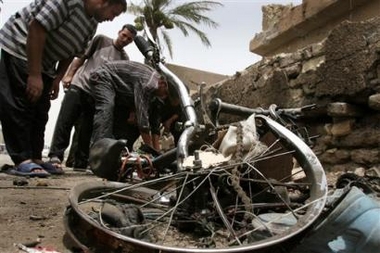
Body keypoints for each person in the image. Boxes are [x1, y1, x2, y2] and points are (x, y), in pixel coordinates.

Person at [0, 0, 127, 177]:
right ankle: (22, 159)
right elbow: (37, 28)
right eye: (113, 13)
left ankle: (36, 158)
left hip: (46, 62)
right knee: (21, 104)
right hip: (20, 46)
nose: (112, 19)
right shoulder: (68, 2)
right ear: (104, 2)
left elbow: (72, 52)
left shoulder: (92, 24)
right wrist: (34, 74)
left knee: (41, 110)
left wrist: (56, 78)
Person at [48, 24, 137, 170]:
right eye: (124, 35)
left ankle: (81, 162)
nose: (125, 40)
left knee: (86, 129)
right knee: (65, 121)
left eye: (129, 39)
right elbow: (82, 57)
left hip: (96, 96)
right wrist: (69, 75)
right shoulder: (101, 40)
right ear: (119, 32)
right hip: (79, 85)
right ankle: (55, 156)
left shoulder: (124, 59)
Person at [89, 61, 168, 151]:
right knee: (106, 108)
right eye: (165, 93)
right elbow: (143, 122)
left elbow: (137, 96)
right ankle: (99, 150)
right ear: (163, 84)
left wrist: (133, 111)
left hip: (116, 87)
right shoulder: (150, 84)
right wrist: (150, 149)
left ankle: (115, 150)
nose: (163, 97)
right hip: (104, 76)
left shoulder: (153, 79)